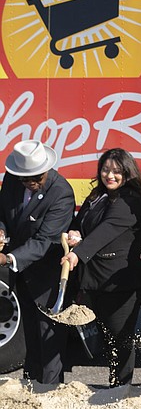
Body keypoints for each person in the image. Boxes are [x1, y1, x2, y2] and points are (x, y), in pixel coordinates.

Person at [60, 149, 141, 387]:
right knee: (105, 338)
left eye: (116, 171)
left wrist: (77, 254)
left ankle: (120, 389)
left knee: (120, 340)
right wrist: (75, 230)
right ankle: (113, 387)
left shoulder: (130, 201)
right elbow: (83, 222)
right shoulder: (98, 195)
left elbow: (105, 231)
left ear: (127, 172)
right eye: (105, 170)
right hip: (96, 280)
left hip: (121, 283)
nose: (109, 175)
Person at [0, 140, 75, 384]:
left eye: (37, 177)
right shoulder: (12, 180)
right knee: (30, 339)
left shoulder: (61, 191)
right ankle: (30, 389)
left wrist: (9, 257)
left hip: (46, 278)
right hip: (21, 276)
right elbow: (3, 213)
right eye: (25, 179)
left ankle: (51, 394)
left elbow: (45, 240)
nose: (31, 183)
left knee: (49, 341)